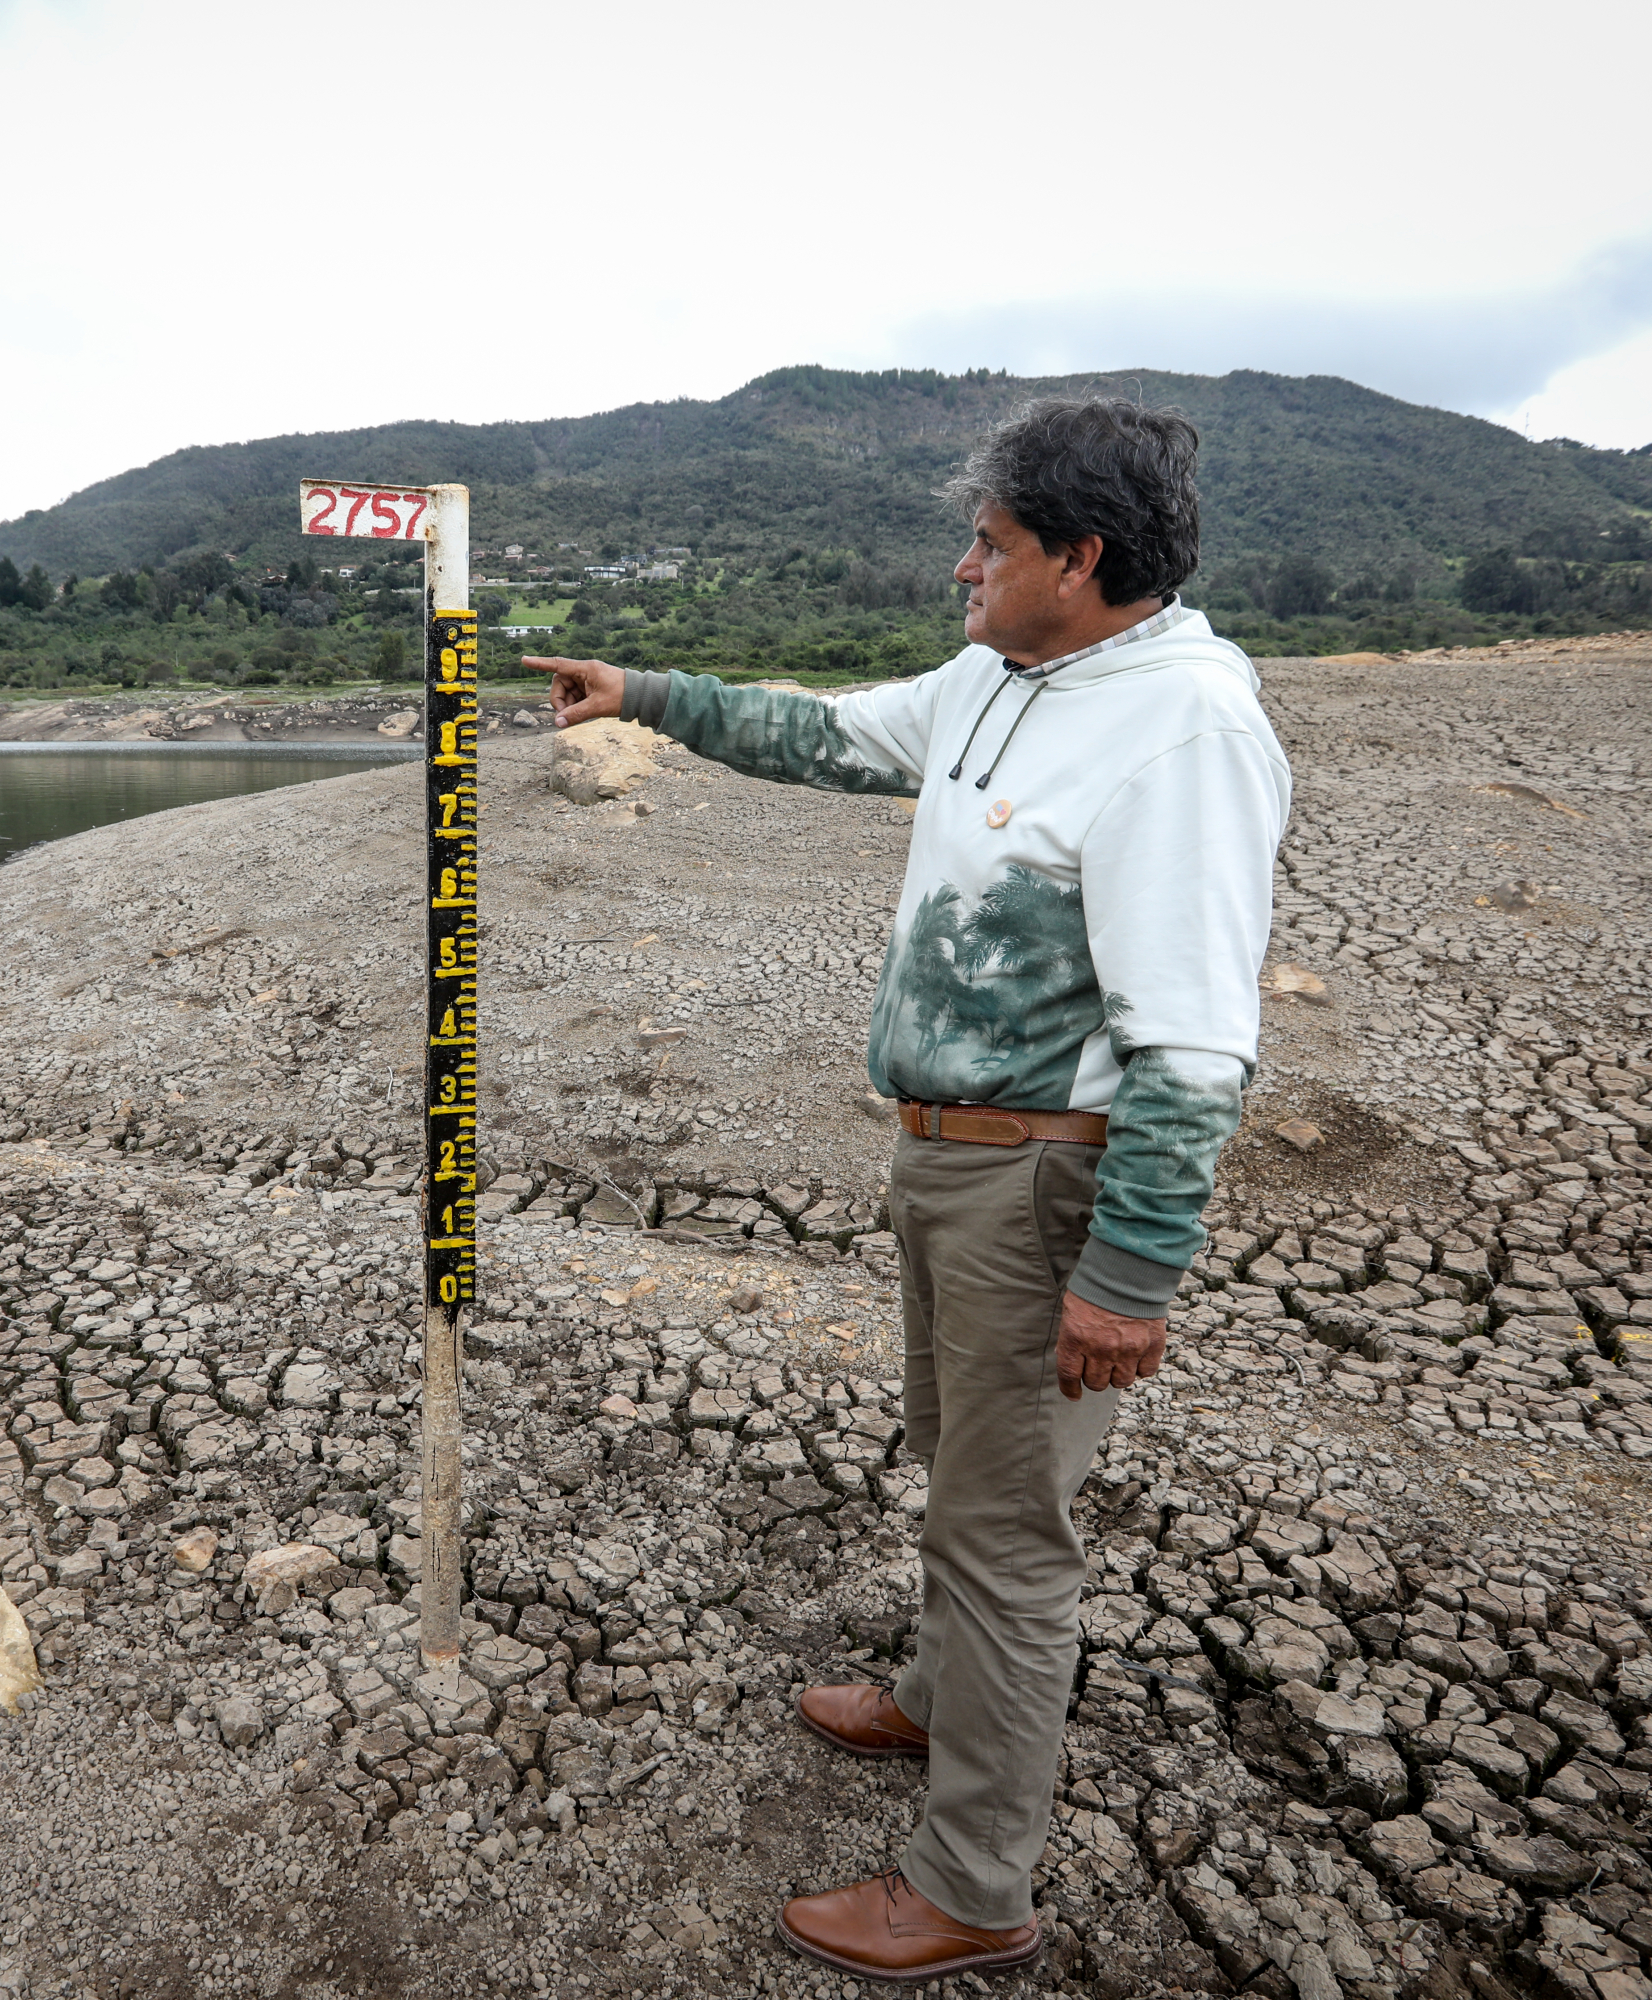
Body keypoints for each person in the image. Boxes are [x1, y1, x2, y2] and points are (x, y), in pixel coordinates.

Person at [521, 397, 1291, 1984]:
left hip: (1047, 1186)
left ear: (1080, 559)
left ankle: (973, 1885)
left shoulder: (1184, 726)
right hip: (948, 1163)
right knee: (958, 1472)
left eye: (992, 546)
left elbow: (1197, 1045)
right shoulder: (999, 677)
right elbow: (832, 731)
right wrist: (646, 693)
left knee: (1010, 1536)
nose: (964, 567)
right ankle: (936, 1706)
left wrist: (1131, 1276)